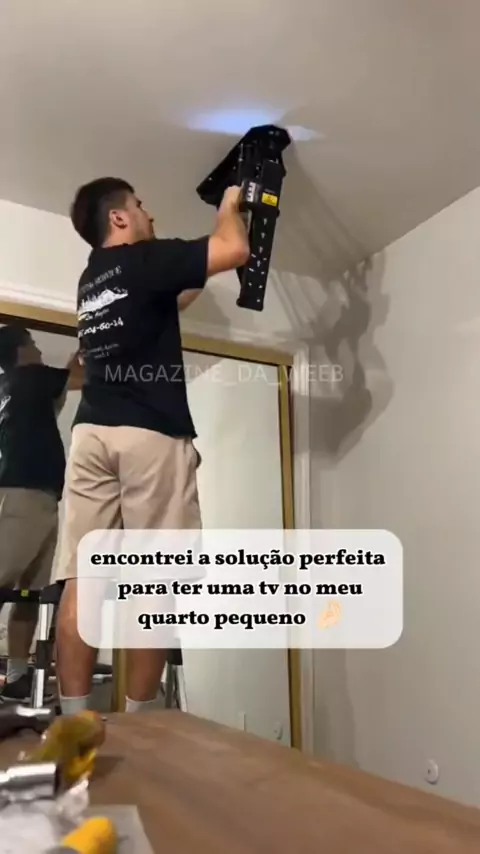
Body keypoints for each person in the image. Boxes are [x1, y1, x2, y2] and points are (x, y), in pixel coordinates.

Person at [54, 177, 249, 715]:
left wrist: (194, 268)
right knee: (155, 581)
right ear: (119, 218)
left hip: (91, 434)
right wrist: (230, 203)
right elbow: (234, 248)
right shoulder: (144, 259)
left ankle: (73, 721)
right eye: (140, 205)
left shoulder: (93, 279)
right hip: (148, 433)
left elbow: (175, 295)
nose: (149, 214)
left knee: (83, 580)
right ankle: (140, 728)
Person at [0, 325, 82, 702]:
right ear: (21, 351)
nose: (38, 349)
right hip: (23, 496)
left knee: (29, 593)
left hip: (42, 498)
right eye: (33, 343)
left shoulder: (22, 390)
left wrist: (81, 350)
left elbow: (66, 383)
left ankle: (18, 676)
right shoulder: (29, 377)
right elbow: (81, 377)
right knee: (4, 582)